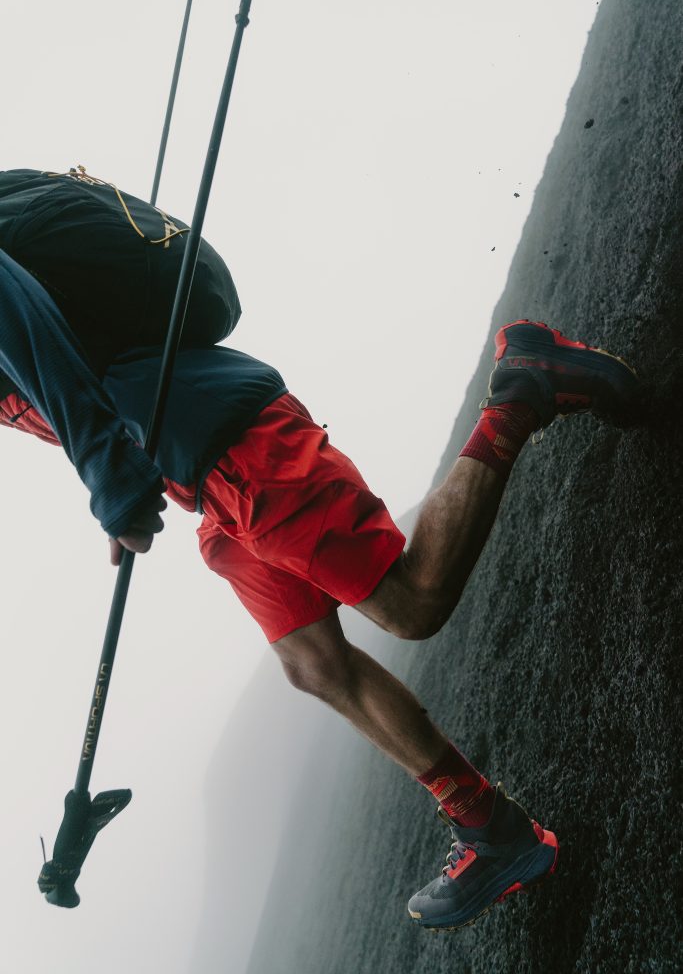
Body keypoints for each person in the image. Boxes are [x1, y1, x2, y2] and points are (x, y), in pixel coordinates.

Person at [0, 168, 638, 931]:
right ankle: (493, 832)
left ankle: (525, 386)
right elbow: (64, 368)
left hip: (228, 440)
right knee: (312, 664)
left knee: (410, 602)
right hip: (197, 476)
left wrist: (114, 484)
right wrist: (125, 480)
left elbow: (27, 329)